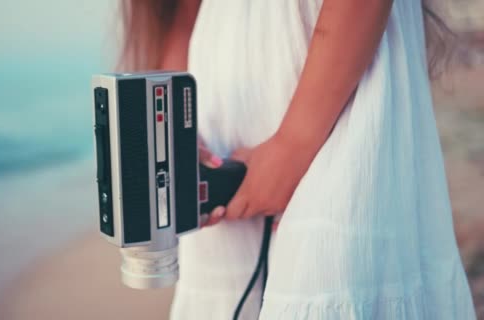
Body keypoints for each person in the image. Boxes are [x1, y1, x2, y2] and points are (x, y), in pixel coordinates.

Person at [118, 0, 477, 319]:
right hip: (221, 118)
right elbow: (178, 11)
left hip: (336, 91)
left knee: (328, 274)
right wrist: (177, 137)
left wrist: (295, 144)